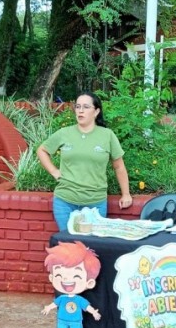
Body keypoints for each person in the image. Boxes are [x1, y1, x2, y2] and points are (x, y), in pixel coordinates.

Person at [36, 92, 133, 231]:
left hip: (95, 203)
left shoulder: (107, 135)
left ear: (96, 111)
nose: (80, 110)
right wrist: (54, 171)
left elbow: (119, 166)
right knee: (69, 246)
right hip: (65, 201)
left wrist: (126, 194)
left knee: (91, 247)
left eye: (86, 107)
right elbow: (42, 150)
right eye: (78, 106)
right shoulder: (64, 133)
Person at [41, 241, 103, 328]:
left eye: (76, 276)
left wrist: (94, 312)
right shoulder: (62, 298)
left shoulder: (79, 300)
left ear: (89, 283)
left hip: (76, 320)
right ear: (52, 277)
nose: (65, 278)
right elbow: (55, 304)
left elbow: (86, 306)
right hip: (62, 319)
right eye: (59, 275)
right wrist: (48, 308)